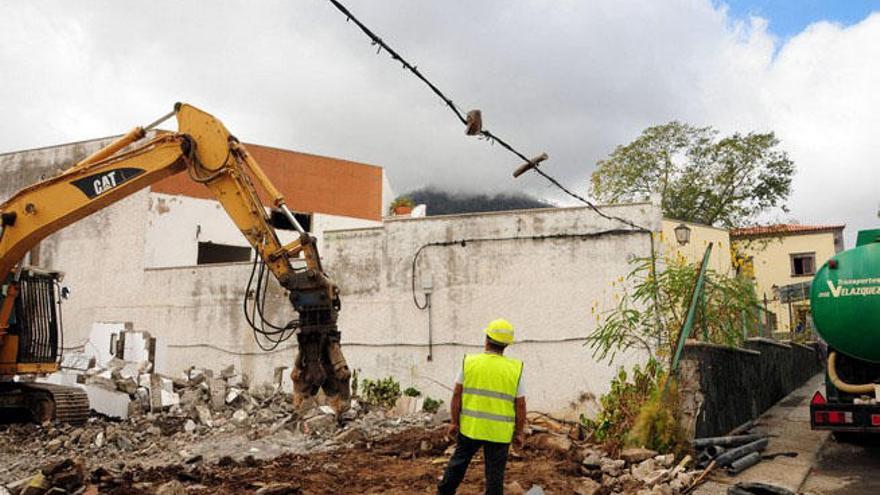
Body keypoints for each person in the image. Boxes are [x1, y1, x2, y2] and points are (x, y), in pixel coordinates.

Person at [437, 318, 527, 495]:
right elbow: (521, 405)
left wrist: (454, 422)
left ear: (486, 339)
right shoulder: (515, 369)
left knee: (458, 464)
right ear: (506, 345)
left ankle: (444, 493)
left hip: (471, 428)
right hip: (499, 433)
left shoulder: (469, 362)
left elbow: (457, 394)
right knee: (495, 475)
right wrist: (518, 432)